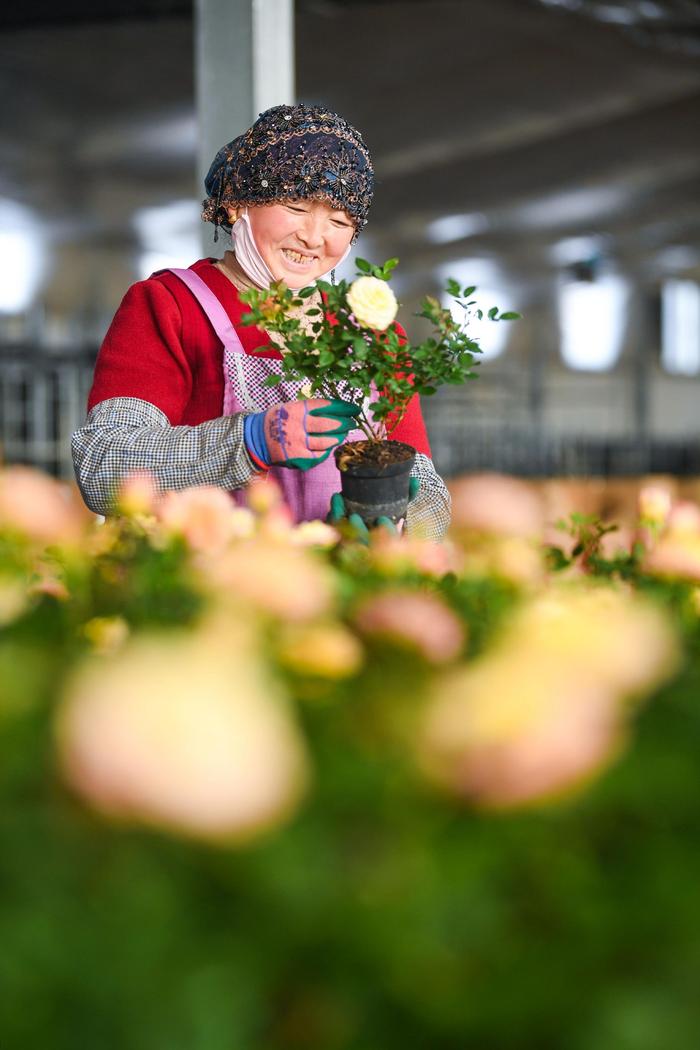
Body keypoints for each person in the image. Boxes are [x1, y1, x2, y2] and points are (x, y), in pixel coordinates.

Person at [71, 103, 451, 538]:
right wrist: (250, 439)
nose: (314, 236)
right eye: (295, 205)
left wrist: (398, 525)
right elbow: (104, 465)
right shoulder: (170, 306)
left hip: (337, 591)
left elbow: (429, 489)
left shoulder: (373, 333)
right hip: (204, 590)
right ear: (236, 203)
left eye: (340, 219)